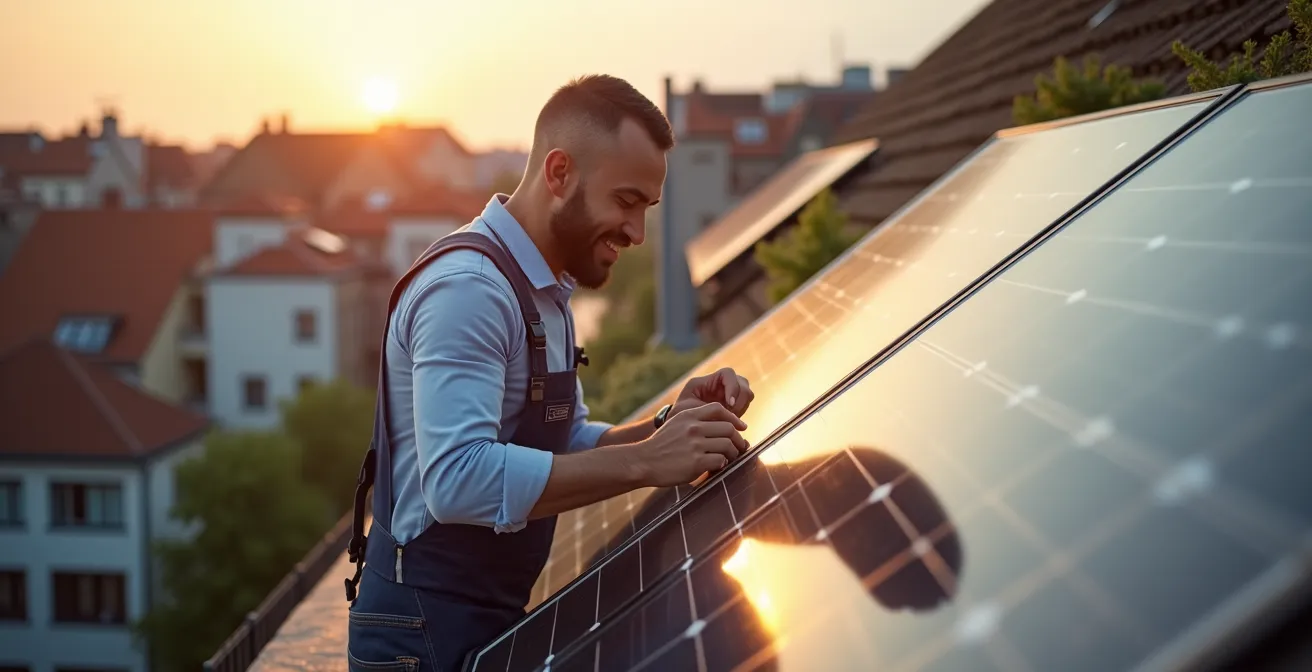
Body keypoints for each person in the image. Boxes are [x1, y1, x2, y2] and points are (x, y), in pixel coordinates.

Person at [343, 73, 756, 672]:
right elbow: (456, 479)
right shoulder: (470, 291)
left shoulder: (544, 292)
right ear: (559, 173)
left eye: (646, 208)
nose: (637, 233)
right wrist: (647, 461)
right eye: (625, 201)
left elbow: (567, 442)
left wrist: (666, 427)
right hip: (419, 635)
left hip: (476, 618)